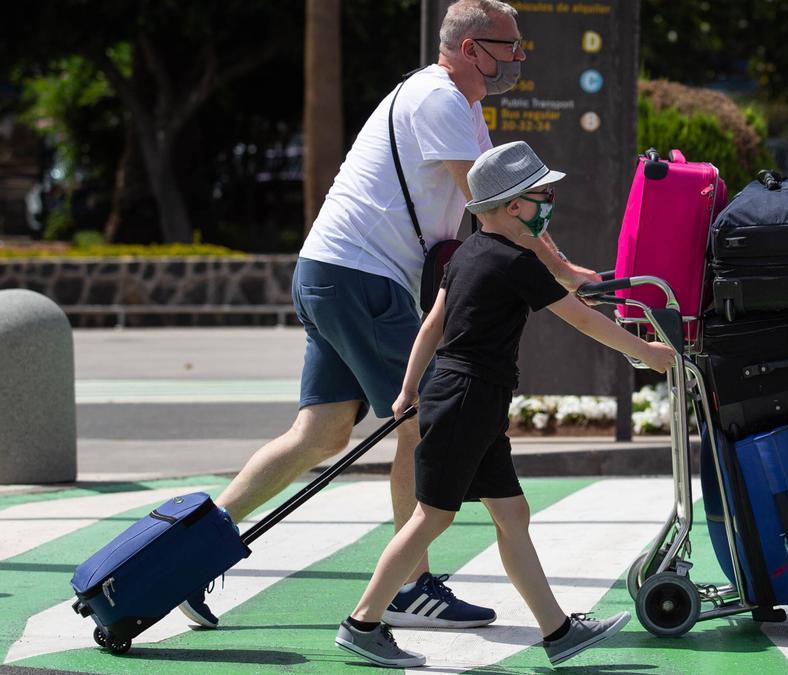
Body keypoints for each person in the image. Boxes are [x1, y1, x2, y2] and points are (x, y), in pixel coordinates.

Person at [179, 0, 600, 629]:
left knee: (318, 435)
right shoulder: (440, 102)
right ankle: (410, 587)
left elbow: (493, 206)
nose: (517, 56)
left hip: (330, 272)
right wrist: (563, 272)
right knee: (427, 416)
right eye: (507, 45)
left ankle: (187, 556)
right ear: (468, 49)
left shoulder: (455, 104)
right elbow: (493, 204)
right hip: (359, 278)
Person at [333, 141, 676, 668]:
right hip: (469, 397)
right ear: (514, 205)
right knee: (430, 517)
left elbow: (433, 324)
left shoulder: (470, 252)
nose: (549, 205)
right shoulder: (517, 263)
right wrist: (648, 352)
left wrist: (408, 389)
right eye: (543, 195)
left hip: (471, 397)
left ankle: (558, 632)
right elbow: (582, 319)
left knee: (512, 513)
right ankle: (362, 624)